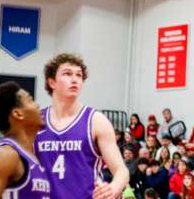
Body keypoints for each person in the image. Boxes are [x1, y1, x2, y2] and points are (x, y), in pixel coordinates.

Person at [35, 53, 128, 199]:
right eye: (67, 74)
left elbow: (121, 170)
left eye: (79, 75)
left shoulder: (96, 120)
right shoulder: (36, 121)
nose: (74, 79)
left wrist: (113, 188)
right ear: (52, 82)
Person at [0, 82, 51, 198]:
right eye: (30, 100)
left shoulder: (32, 158)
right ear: (18, 114)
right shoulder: (6, 155)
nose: (38, 105)